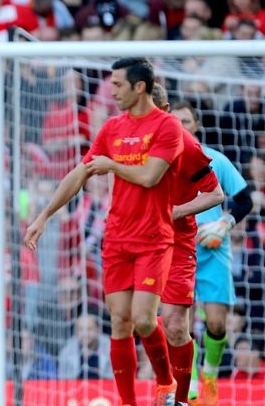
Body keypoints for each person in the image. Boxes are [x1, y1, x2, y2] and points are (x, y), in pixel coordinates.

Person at [24, 58, 183, 406]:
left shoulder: (167, 126)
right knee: (120, 321)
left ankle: (166, 382)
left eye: (118, 85)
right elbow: (79, 174)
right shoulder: (111, 127)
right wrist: (44, 215)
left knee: (144, 319)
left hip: (154, 239)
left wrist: (112, 165)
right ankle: (127, 403)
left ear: (139, 87)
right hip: (117, 239)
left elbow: (149, 177)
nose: (111, 92)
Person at [170, 101, 254, 406]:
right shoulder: (163, 162)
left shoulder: (214, 160)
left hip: (213, 251)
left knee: (218, 323)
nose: (180, 127)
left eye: (186, 121)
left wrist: (224, 223)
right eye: (175, 121)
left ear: (196, 125)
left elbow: (245, 200)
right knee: (181, 321)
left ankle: (210, 375)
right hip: (179, 250)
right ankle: (190, 383)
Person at [151, 85, 225, 406]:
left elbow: (219, 194)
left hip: (182, 241)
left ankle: (185, 392)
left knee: (177, 324)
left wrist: (175, 212)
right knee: (136, 319)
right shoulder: (126, 138)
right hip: (141, 239)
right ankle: (165, 386)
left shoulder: (190, 147)